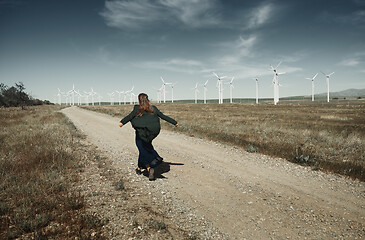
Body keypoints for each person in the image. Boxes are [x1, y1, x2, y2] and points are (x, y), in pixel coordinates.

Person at [119, 93, 178, 181]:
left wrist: (122, 122)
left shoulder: (137, 109)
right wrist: (174, 122)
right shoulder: (153, 109)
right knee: (144, 148)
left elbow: (129, 117)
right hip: (151, 134)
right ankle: (139, 168)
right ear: (148, 100)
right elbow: (163, 116)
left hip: (141, 134)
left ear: (139, 100)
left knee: (142, 149)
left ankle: (150, 168)